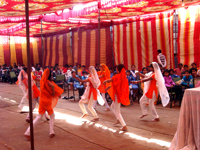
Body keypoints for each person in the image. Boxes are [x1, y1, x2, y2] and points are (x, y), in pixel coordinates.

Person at [24, 68, 63, 140]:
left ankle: (27, 132)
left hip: (42, 101)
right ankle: (51, 132)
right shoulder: (49, 82)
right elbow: (53, 93)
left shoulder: (42, 81)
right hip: (47, 102)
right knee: (52, 116)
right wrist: (53, 87)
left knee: (38, 117)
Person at [104, 64, 129, 131]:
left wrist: (105, 81)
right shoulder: (123, 76)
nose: (116, 69)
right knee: (112, 107)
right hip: (119, 95)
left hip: (117, 95)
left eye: (117, 68)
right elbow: (115, 84)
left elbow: (110, 80)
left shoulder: (117, 76)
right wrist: (108, 86)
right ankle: (118, 119)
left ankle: (124, 125)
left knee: (117, 111)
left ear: (118, 69)